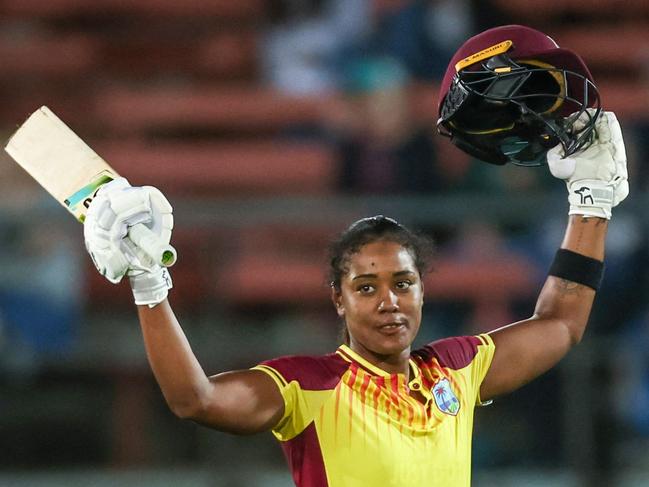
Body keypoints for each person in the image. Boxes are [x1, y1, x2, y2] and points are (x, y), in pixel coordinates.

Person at [82, 25, 629, 486]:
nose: (389, 301)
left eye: (402, 283)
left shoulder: (456, 371)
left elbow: (560, 323)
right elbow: (195, 400)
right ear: (337, 302)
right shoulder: (306, 386)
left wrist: (592, 203)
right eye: (365, 287)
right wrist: (149, 283)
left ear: (422, 290)